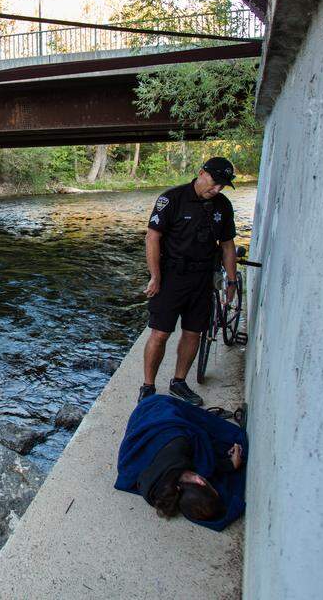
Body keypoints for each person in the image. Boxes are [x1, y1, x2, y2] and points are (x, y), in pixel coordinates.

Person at [140, 157, 239, 406]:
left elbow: (227, 245)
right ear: (201, 173)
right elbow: (152, 238)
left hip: (203, 278)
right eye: (215, 183)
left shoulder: (223, 206)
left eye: (222, 186)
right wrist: (155, 276)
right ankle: (148, 385)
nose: (216, 189)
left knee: (193, 333)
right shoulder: (172, 199)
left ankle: (179, 382)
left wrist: (231, 282)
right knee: (160, 333)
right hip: (171, 276)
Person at [114, 394, 247, 531]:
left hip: (152, 408)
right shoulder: (158, 489)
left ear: (200, 481)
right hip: (158, 418)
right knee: (201, 428)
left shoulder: (181, 451)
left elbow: (204, 456)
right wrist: (229, 464)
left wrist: (229, 464)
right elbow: (205, 457)